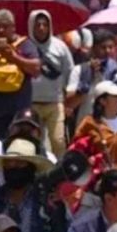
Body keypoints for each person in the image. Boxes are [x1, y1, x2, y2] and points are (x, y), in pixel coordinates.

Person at [0, 9, 42, 138]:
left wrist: (13, 57)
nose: (1, 30)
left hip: (19, 112)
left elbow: (36, 68)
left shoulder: (25, 44)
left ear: (13, 27)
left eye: (5, 26)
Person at [28, 10, 73, 157]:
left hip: (55, 103)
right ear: (31, 26)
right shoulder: (25, 46)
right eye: (38, 25)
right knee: (33, 143)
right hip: (31, 104)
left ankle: (59, 176)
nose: (41, 28)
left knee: (59, 142)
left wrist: (69, 101)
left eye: (45, 25)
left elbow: (69, 73)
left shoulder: (60, 47)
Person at [74, 81, 117, 171]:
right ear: (103, 101)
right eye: (116, 97)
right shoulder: (89, 123)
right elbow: (76, 150)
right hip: (95, 180)